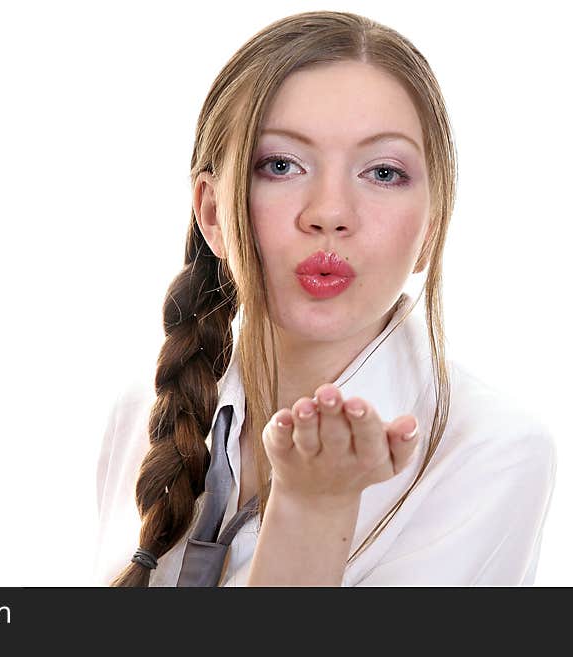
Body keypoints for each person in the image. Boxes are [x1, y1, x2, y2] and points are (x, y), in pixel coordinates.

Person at [93, 10, 556, 586]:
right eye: (281, 165)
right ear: (212, 213)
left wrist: (313, 509)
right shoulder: (144, 413)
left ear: (431, 228)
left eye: (383, 173)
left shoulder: (495, 450)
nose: (331, 213)